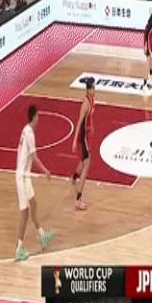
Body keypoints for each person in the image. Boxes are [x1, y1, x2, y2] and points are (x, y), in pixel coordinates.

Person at [15, 105, 55, 261]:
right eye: (38, 115)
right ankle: (18, 249)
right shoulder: (30, 134)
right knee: (25, 214)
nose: (39, 118)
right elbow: (35, 158)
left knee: (34, 205)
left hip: (25, 176)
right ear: (34, 116)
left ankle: (42, 235)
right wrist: (46, 171)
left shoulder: (25, 130)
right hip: (22, 177)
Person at [71, 77, 96, 210]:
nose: (94, 90)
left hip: (86, 134)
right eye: (93, 88)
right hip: (82, 135)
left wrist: (91, 124)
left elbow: (89, 116)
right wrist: (75, 140)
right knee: (87, 163)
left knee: (84, 159)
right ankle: (78, 199)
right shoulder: (85, 103)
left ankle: (74, 177)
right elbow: (79, 121)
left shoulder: (92, 100)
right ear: (88, 89)